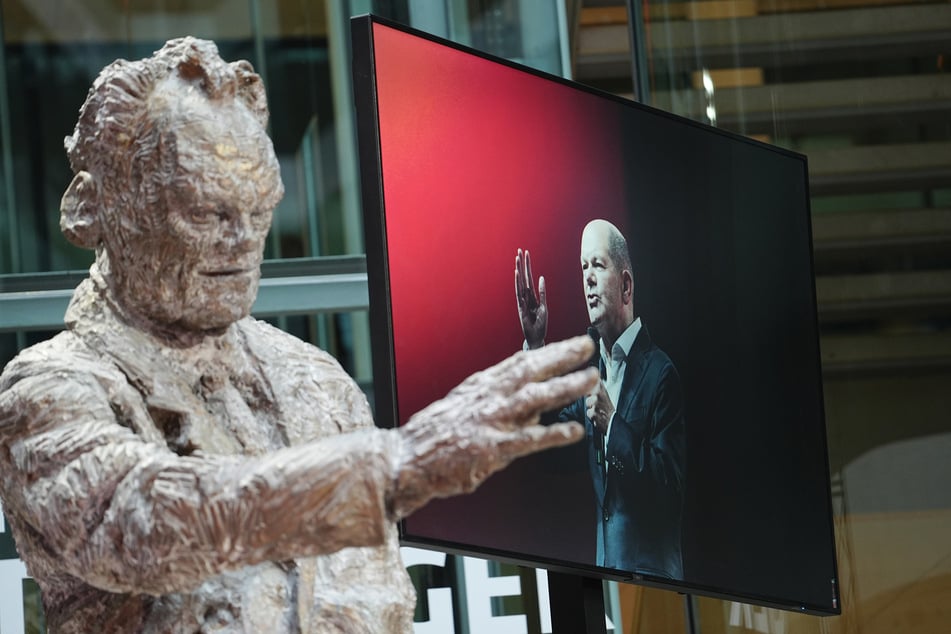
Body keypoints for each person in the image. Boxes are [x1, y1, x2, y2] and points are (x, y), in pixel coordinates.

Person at [0, 38, 598, 634]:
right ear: (93, 208)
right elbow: (135, 519)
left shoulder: (317, 379)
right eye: (205, 212)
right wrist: (395, 464)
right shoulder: (50, 389)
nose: (243, 241)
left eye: (260, 212)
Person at [514, 219, 686, 580]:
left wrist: (613, 427)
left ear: (625, 284)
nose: (587, 278)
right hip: (608, 588)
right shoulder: (592, 375)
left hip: (656, 596)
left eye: (598, 265)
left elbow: (670, 492)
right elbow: (545, 445)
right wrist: (535, 349)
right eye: (583, 267)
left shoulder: (660, 374)